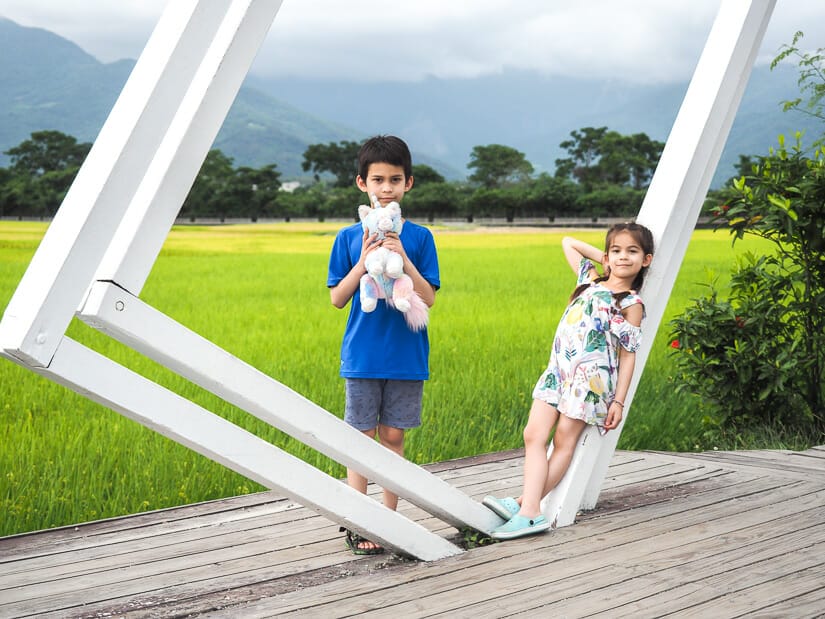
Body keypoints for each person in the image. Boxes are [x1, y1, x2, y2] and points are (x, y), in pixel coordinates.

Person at [484, 222, 654, 540]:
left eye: (632, 252)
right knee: (533, 434)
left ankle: (529, 511)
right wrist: (605, 260)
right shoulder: (589, 280)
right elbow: (568, 242)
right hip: (558, 372)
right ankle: (525, 504)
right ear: (606, 256)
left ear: (646, 259)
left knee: (563, 442)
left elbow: (629, 355)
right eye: (616, 251)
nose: (622, 258)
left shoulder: (631, 304)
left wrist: (618, 400)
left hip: (590, 384)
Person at [327, 135, 440, 554]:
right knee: (360, 436)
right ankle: (359, 520)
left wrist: (401, 255)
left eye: (395, 179)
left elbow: (427, 297)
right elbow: (338, 298)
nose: (386, 187)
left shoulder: (422, 237)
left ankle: (389, 519)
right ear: (362, 184)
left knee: (393, 436)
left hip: (407, 356)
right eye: (378, 179)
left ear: (409, 183)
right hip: (362, 354)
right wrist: (363, 259)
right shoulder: (346, 237)